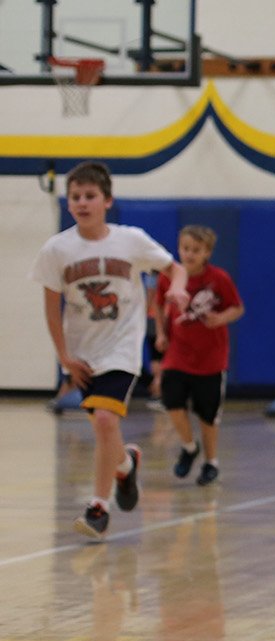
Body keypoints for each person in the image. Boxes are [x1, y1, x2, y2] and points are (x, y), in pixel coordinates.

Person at [32, 161, 189, 538]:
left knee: (105, 421)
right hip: (83, 352)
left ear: (107, 201)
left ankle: (98, 508)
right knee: (106, 432)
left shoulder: (131, 239)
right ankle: (125, 466)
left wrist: (180, 287)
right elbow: (52, 308)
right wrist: (63, 357)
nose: (82, 203)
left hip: (122, 347)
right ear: (68, 202)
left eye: (90, 196)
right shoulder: (57, 249)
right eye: (75, 197)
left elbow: (175, 268)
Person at [153, 225, 243, 486]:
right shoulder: (168, 276)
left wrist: (221, 318)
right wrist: (160, 333)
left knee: (207, 414)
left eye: (196, 250)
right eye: (185, 248)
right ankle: (189, 447)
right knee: (171, 402)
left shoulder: (219, 279)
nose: (189, 254)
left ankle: (211, 462)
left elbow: (237, 308)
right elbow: (158, 305)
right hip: (178, 353)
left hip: (211, 357)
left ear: (207, 253)